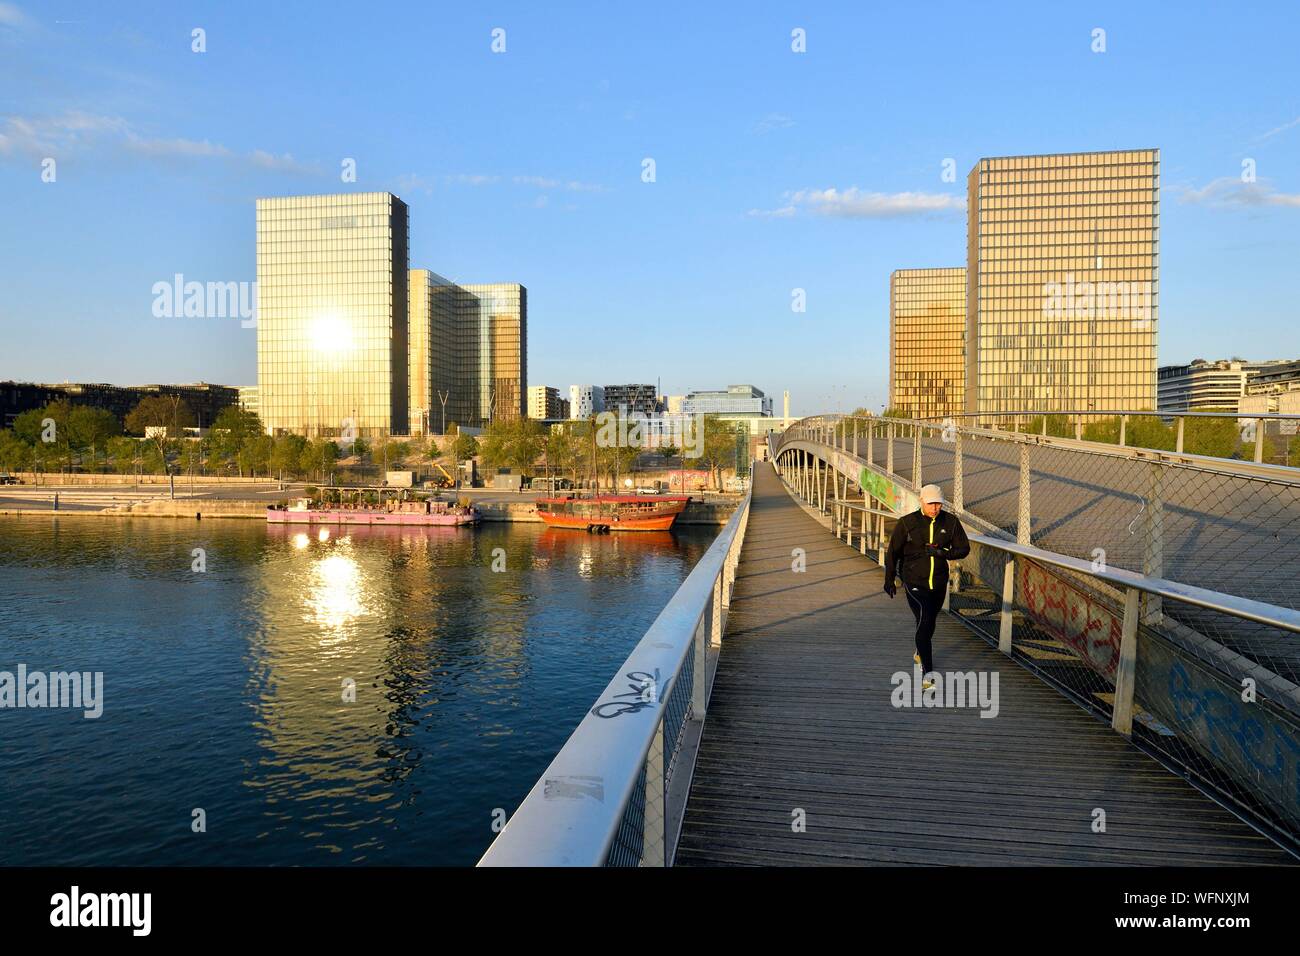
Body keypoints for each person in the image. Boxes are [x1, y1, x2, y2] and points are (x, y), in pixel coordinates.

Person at [882, 484, 970, 689]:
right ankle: (928, 674)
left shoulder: (950, 522)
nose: (935, 508)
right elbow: (893, 551)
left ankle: (919, 650)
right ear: (921, 501)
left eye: (938, 503)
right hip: (914, 580)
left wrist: (943, 553)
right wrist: (889, 578)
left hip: (938, 582)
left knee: (928, 623)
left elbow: (964, 548)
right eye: (931, 503)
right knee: (924, 615)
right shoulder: (908, 523)